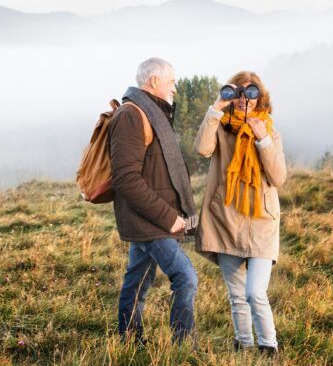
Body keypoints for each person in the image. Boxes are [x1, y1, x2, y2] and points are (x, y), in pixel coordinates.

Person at [194, 71, 288, 355]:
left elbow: (278, 177)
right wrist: (215, 110)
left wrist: (263, 141)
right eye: (239, 92)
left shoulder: (269, 130)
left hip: (261, 221)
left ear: (260, 97)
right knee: (237, 295)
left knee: (254, 292)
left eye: (252, 92)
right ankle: (243, 345)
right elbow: (202, 148)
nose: (245, 99)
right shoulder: (221, 128)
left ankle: (269, 346)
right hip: (226, 218)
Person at [109, 57, 200, 345]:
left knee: (137, 281)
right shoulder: (131, 116)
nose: (176, 86)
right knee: (185, 277)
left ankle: (130, 341)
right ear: (154, 82)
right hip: (150, 220)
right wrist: (168, 217)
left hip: (151, 218)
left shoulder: (153, 113)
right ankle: (184, 345)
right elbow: (126, 179)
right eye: (171, 80)